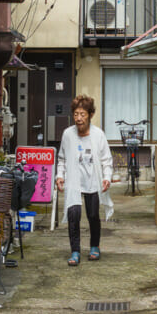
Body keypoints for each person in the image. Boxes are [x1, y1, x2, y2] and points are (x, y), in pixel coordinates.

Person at [55, 94, 117, 266]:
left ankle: (94, 246)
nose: (79, 118)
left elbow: (106, 160)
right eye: (76, 114)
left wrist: (106, 178)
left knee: (92, 215)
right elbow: (62, 159)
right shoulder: (68, 134)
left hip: (93, 180)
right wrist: (60, 175)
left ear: (90, 114)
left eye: (82, 114)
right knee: (73, 215)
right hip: (74, 181)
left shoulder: (98, 135)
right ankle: (75, 251)